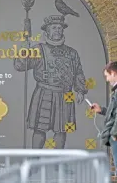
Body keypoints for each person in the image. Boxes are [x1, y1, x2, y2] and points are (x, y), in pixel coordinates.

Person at [13, 15, 88, 150]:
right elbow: (20, 66)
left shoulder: (72, 53)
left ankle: (57, 162)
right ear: (47, 31)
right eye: (54, 28)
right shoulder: (38, 49)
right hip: (44, 92)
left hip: (66, 94)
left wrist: (81, 90)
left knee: (62, 130)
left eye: (60, 28)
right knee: (39, 128)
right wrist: (24, 49)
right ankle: (34, 161)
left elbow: (78, 72)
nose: (57, 30)